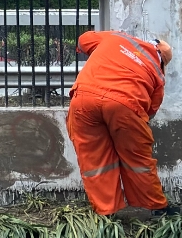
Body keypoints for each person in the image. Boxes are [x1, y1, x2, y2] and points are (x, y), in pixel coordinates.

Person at [67, 30, 178, 218]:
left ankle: (106, 213)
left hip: (84, 99)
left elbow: (84, 40)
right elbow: (150, 111)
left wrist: (88, 49)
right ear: (162, 61)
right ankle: (158, 208)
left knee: (94, 160)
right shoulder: (158, 75)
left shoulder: (117, 37)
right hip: (126, 106)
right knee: (138, 160)